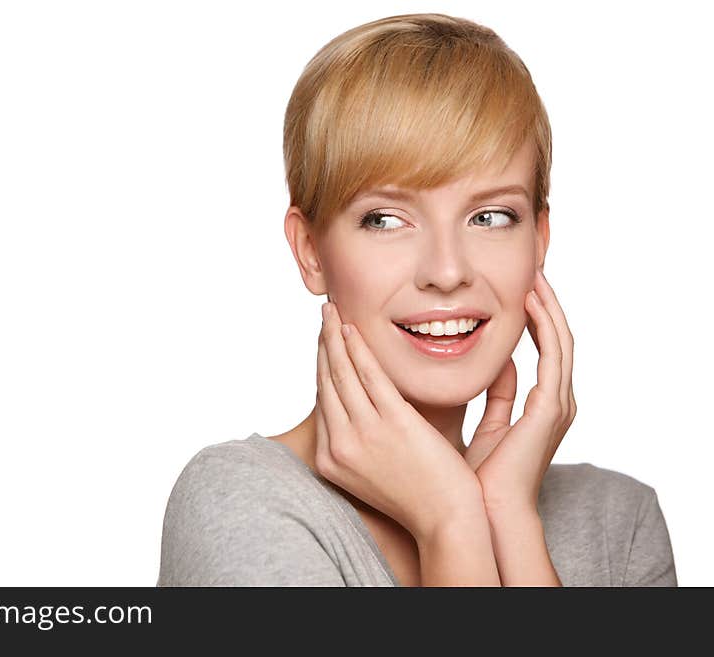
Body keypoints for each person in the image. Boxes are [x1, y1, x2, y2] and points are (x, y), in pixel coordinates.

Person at [156, 13, 677, 586]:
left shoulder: (619, 523)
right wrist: (450, 522)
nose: (447, 271)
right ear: (310, 251)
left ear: (539, 240)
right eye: (384, 219)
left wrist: (508, 516)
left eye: (491, 216)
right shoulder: (241, 499)